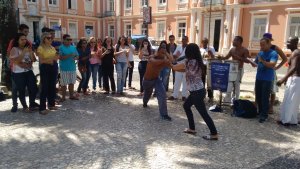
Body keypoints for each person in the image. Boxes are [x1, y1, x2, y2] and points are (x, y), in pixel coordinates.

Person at [171, 43, 218, 140]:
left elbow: (174, 67)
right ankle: (192, 128)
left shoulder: (189, 62)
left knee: (203, 113)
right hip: (197, 91)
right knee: (186, 106)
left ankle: (214, 133)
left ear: (189, 52)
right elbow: (183, 69)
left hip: (196, 92)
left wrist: (167, 61)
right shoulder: (197, 61)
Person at [8, 24, 39, 112]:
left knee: (33, 88)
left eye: (25, 39)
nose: (24, 40)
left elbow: (33, 60)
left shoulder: (28, 46)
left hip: (28, 71)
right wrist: (23, 54)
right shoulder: (14, 47)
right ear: (18, 40)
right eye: (22, 39)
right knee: (20, 90)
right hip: (18, 73)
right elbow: (15, 60)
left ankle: (32, 104)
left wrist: (31, 54)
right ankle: (23, 107)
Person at [219, 36, 256, 103]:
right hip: (231, 70)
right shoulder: (232, 49)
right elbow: (226, 57)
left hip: (239, 70)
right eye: (233, 40)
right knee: (229, 84)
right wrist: (220, 57)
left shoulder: (244, 50)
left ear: (240, 42)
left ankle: (236, 101)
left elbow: (248, 61)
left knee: (237, 85)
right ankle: (227, 100)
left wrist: (238, 58)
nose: (233, 41)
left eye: (235, 40)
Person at [143, 41, 173, 121]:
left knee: (162, 94)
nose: (163, 54)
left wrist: (166, 53)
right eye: (162, 51)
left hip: (156, 80)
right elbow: (154, 62)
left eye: (164, 52)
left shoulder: (163, 60)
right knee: (147, 95)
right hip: (147, 80)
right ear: (158, 51)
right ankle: (145, 102)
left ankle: (164, 114)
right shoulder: (152, 57)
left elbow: (172, 61)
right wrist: (164, 60)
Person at [277, 37, 300, 126]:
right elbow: (290, 67)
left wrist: (283, 79)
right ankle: (292, 120)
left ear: (295, 43)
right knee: (291, 100)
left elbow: (294, 68)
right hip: (293, 79)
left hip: (296, 79)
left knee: (290, 100)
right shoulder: (294, 53)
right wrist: (287, 79)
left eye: (289, 42)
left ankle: (286, 121)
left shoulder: (296, 53)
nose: (287, 43)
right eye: (287, 41)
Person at [263, 33, 288, 114]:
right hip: (262, 71)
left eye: (267, 39)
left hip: (271, 71)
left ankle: (271, 107)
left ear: (270, 40)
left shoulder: (275, 48)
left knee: (272, 89)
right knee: (261, 88)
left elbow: (285, 59)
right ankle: (261, 105)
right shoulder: (262, 47)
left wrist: (277, 67)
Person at [254, 38, 278, 123]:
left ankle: (264, 115)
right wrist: (251, 62)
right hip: (259, 77)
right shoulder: (260, 53)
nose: (261, 46)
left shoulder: (273, 53)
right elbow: (256, 63)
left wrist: (263, 61)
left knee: (265, 97)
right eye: (260, 45)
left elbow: (272, 64)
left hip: (267, 79)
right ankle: (260, 112)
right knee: (259, 96)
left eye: (263, 45)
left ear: (269, 44)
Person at [37, 32, 60, 115]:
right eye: (48, 38)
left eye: (51, 38)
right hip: (45, 67)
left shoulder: (52, 47)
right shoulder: (40, 48)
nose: (50, 39)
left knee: (52, 86)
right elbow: (41, 60)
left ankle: (51, 104)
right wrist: (51, 59)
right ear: (44, 39)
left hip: (53, 67)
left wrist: (56, 57)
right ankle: (42, 108)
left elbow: (56, 58)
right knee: (45, 87)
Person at [59, 34, 79, 101]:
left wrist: (76, 57)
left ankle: (71, 96)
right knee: (63, 84)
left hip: (72, 68)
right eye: (68, 39)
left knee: (71, 83)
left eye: (70, 39)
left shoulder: (73, 47)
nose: (69, 41)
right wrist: (70, 55)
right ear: (64, 40)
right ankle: (63, 97)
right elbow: (61, 58)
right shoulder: (61, 48)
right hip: (64, 68)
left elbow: (77, 56)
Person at [168, 36, 189, 101]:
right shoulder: (179, 46)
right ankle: (175, 95)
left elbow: (188, 57)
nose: (183, 41)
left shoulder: (189, 47)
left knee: (185, 82)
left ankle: (184, 96)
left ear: (187, 41)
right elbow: (174, 55)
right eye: (183, 40)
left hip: (186, 66)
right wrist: (175, 56)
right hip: (178, 66)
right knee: (177, 81)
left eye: (185, 40)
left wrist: (179, 57)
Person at [200, 38, 216, 102]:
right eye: (203, 42)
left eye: (206, 42)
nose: (204, 43)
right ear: (202, 43)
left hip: (209, 66)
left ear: (207, 42)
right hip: (203, 66)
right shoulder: (200, 49)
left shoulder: (211, 48)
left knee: (210, 82)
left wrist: (211, 53)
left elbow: (213, 57)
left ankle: (210, 96)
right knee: (202, 81)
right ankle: (202, 95)